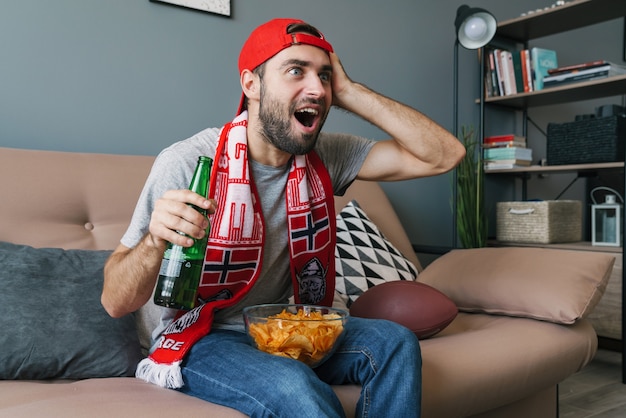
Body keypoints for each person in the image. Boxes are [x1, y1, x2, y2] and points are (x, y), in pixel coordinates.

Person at [102, 18, 465, 418]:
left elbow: (444, 155)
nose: (317, 89)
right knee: (295, 387)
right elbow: (115, 302)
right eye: (296, 71)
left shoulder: (324, 156)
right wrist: (154, 242)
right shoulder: (189, 162)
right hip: (200, 336)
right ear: (251, 85)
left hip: (280, 325)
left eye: (324, 77)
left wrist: (351, 91)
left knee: (395, 343)